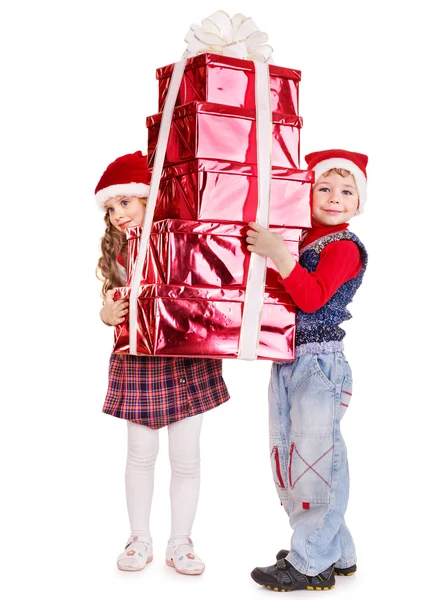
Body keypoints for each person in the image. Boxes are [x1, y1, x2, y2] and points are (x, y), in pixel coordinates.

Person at [95, 151, 230, 575]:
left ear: (147, 196)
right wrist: (105, 311)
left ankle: (181, 542)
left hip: (184, 358)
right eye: (111, 207)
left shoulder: (179, 238)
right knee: (140, 453)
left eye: (126, 202)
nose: (117, 213)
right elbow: (117, 303)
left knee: (186, 457)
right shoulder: (120, 252)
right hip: (138, 361)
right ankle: (140, 538)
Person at [246, 149, 368, 592]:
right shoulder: (302, 242)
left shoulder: (343, 247)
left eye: (347, 191)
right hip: (287, 358)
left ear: (358, 203)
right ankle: (335, 551)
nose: (335, 197)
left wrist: (278, 253)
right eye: (324, 187)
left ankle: (311, 559)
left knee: (317, 460)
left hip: (319, 363)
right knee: (294, 459)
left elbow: (311, 298)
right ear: (307, 193)